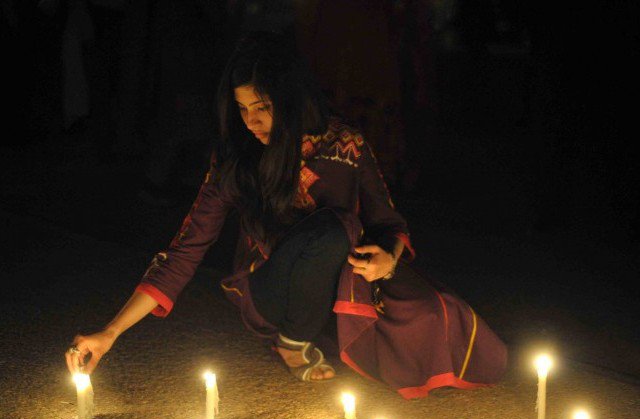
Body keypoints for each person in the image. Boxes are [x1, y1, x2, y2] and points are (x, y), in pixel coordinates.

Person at [66, 32, 507, 396]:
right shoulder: (234, 160)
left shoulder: (345, 144)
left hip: (339, 287)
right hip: (271, 293)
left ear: (292, 100)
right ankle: (292, 345)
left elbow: (388, 221)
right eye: (242, 110)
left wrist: (388, 259)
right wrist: (110, 332)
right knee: (336, 227)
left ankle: (318, 330)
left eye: (263, 108)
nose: (252, 123)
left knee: (436, 314)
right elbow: (185, 251)